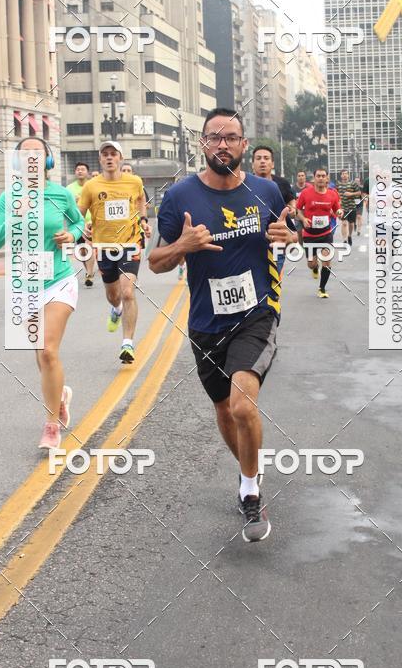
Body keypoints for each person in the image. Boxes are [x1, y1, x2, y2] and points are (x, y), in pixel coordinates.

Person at [149, 108, 295, 542]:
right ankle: (248, 464)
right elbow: (155, 263)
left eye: (231, 137)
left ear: (244, 145)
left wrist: (290, 237)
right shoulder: (179, 197)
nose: (223, 145)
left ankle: (250, 491)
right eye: (215, 137)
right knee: (223, 409)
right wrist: (183, 244)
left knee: (242, 405)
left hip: (257, 313)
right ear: (203, 144)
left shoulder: (265, 189)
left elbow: (287, 233)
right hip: (206, 321)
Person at [0, 137, 86, 450]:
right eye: (25, 153)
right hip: (26, 285)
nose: (31, 156)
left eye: (37, 152)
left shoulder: (60, 195)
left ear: (48, 160)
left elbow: (80, 221)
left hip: (58, 279)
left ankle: (51, 426)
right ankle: (61, 396)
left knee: (47, 351)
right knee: (41, 357)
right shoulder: (7, 198)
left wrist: (71, 234)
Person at [78, 140, 152, 363]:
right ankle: (117, 309)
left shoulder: (134, 181)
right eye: (105, 154)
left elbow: (140, 201)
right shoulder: (91, 186)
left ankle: (127, 343)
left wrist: (143, 220)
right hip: (104, 247)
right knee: (113, 296)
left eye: (113, 154)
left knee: (128, 291)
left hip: (130, 244)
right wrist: (83, 226)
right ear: (100, 159)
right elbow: (79, 213)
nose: (109, 157)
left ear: (120, 158)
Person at [296, 167, 343, 298]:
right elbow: (298, 210)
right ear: (314, 178)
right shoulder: (306, 193)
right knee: (311, 264)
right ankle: (315, 267)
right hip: (310, 235)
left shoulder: (333, 194)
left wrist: (340, 212)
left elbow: (338, 209)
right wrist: (303, 218)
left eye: (323, 176)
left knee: (327, 261)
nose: (321, 178)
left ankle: (322, 289)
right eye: (318, 176)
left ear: (327, 178)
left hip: (326, 233)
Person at [67, 162, 96, 287]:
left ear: (87, 172)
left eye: (83, 169)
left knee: (89, 246)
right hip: (77, 223)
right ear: (75, 172)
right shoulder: (69, 189)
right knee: (82, 251)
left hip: (92, 222)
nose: (80, 171)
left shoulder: (92, 186)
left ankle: (89, 274)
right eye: (78, 169)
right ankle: (88, 271)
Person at [251, 145, 295, 210]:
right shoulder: (246, 184)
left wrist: (293, 209)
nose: (262, 161)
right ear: (252, 164)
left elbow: (291, 201)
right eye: (258, 158)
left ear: (272, 164)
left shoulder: (283, 183)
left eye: (266, 158)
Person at [336, 169, 361, 246]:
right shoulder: (338, 184)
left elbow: (359, 193)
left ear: (348, 175)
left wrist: (351, 194)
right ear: (341, 175)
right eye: (343, 174)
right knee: (344, 223)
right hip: (342, 208)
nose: (344, 175)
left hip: (352, 207)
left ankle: (349, 236)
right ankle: (344, 240)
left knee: (351, 224)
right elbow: (334, 194)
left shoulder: (353, 184)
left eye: (346, 174)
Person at [292, 170, 309, 246]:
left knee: (308, 231)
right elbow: (291, 201)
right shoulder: (293, 188)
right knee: (299, 232)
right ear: (297, 177)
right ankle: (302, 246)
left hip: (308, 213)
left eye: (302, 175)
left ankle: (309, 245)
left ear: (305, 177)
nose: (301, 177)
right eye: (299, 176)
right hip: (298, 214)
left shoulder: (309, 187)